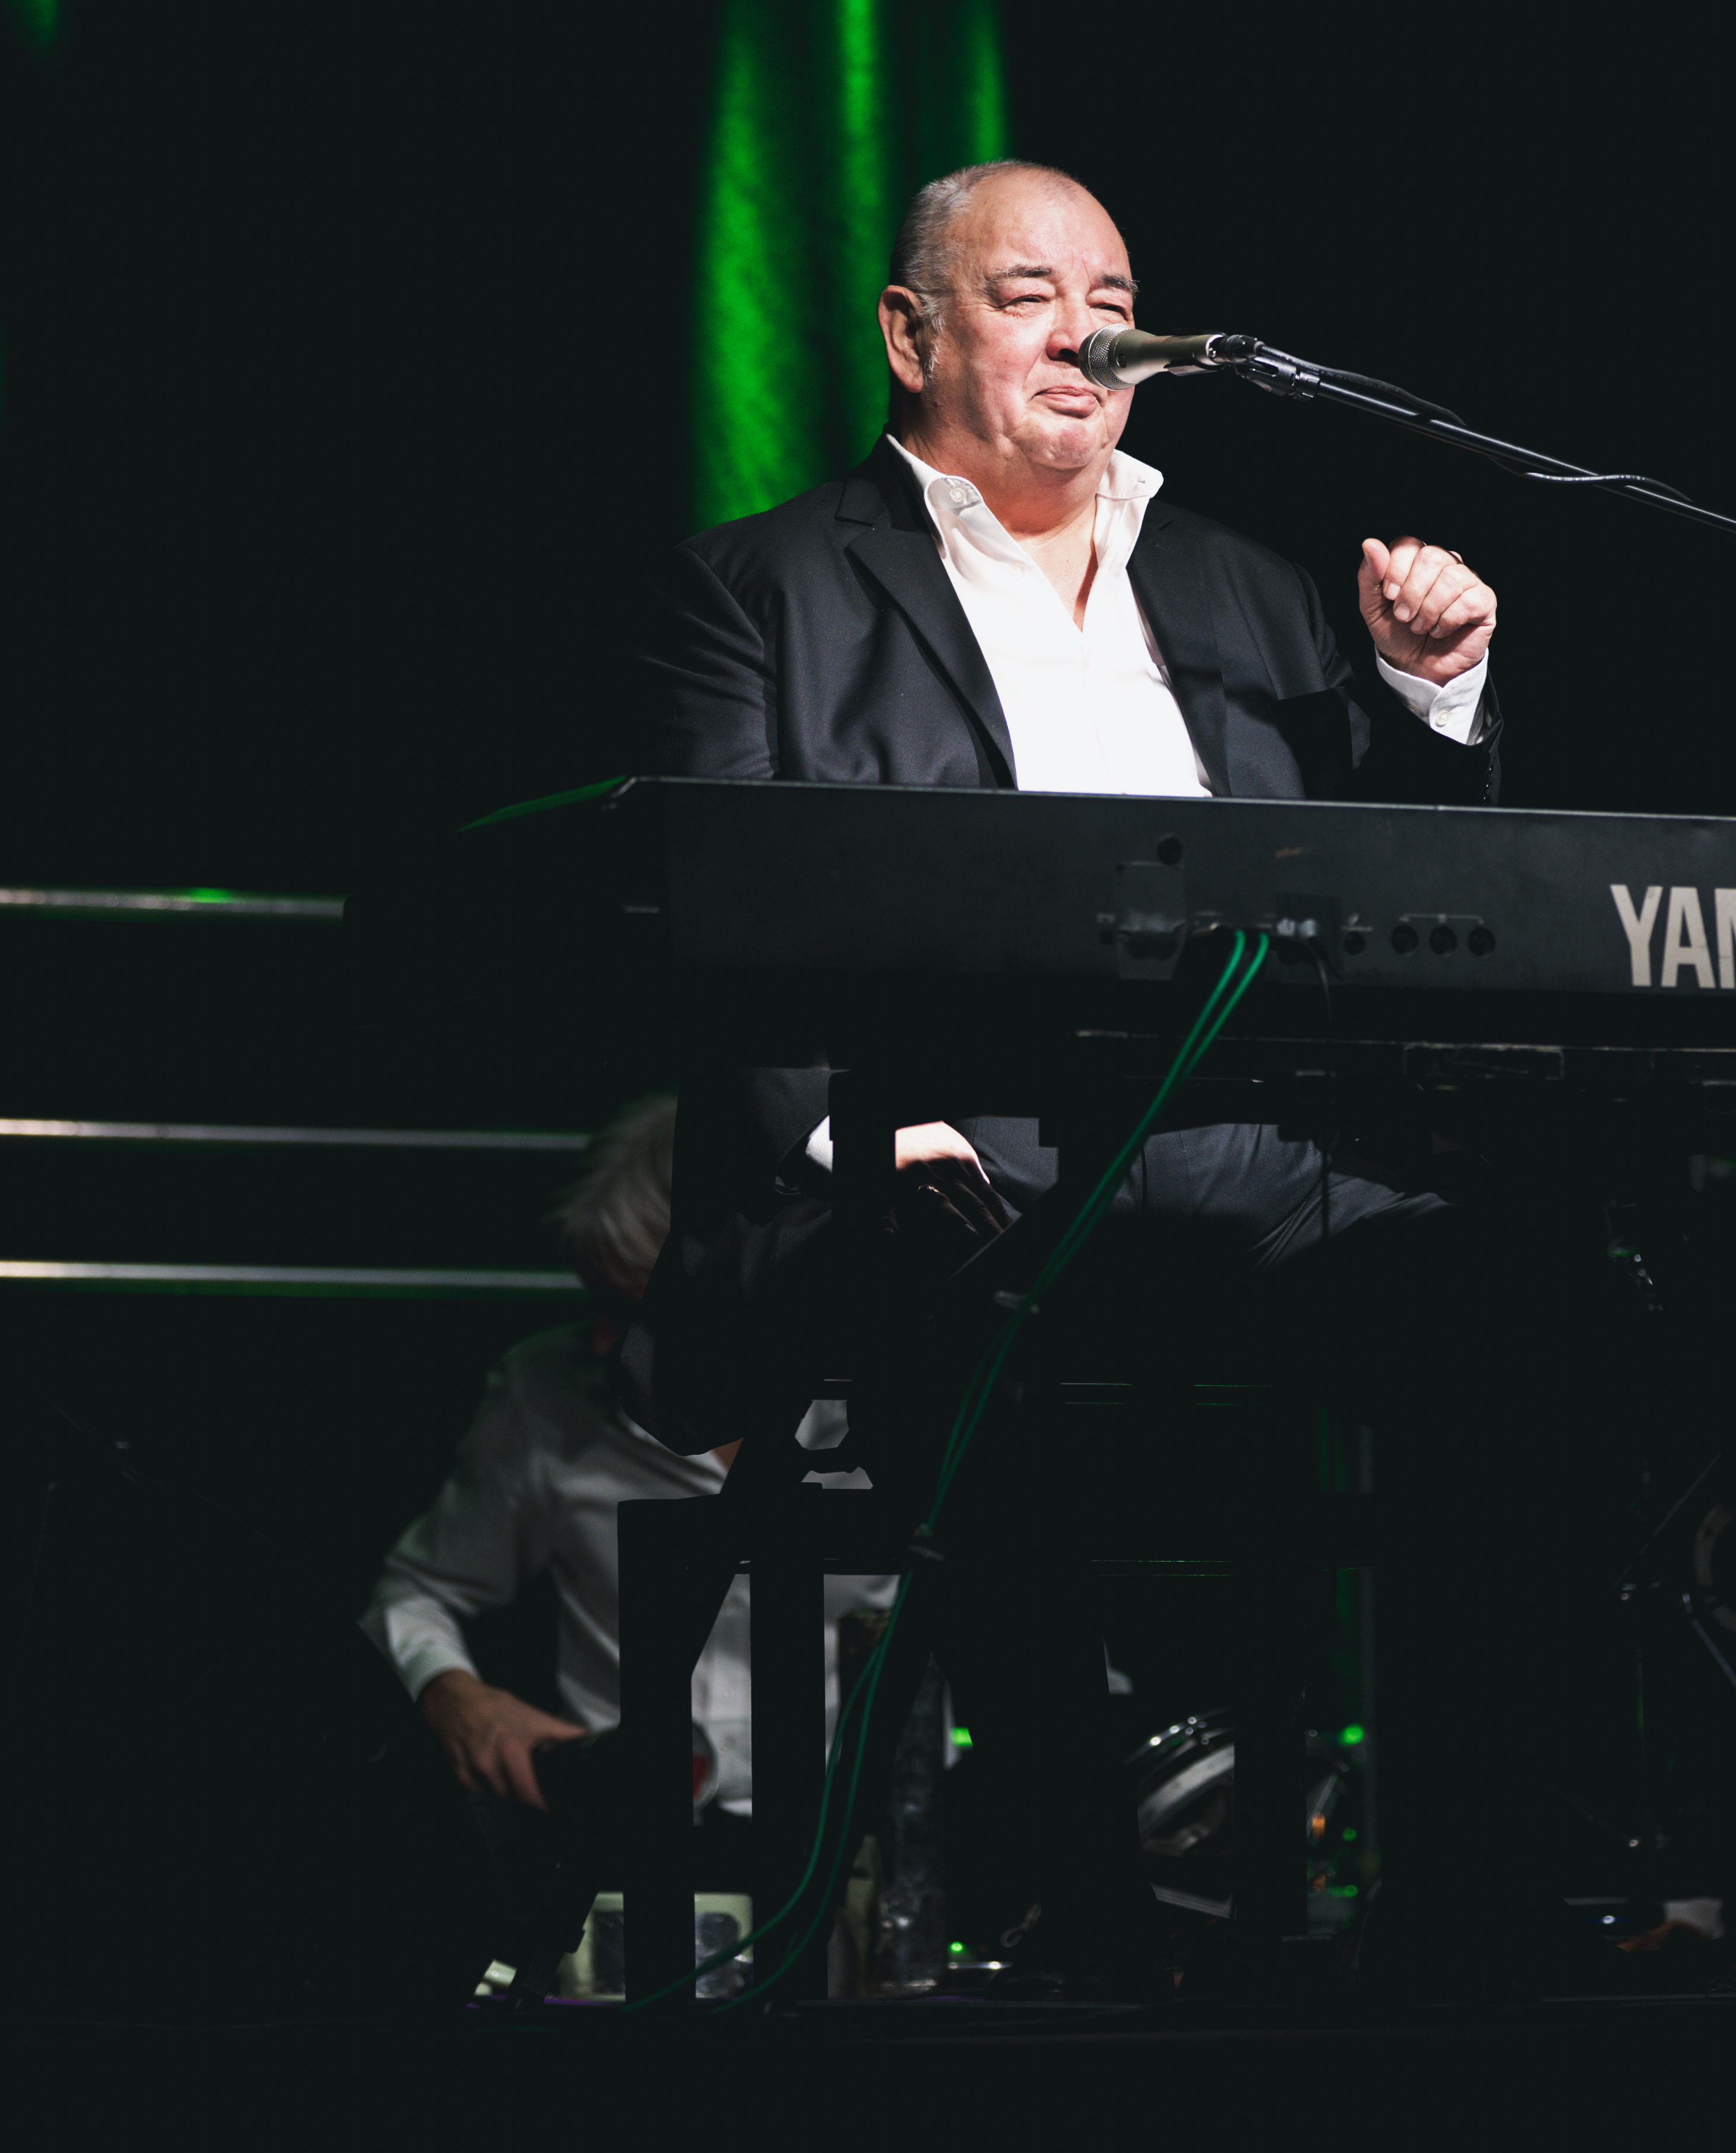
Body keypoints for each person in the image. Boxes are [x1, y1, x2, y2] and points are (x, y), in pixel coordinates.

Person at [633, 161, 1594, 1992]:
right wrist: (851, 1135)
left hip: (1252, 1144)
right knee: (960, 1308)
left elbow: (1403, 909)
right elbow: (720, 920)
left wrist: (1425, 695)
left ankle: (1470, 1913)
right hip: (957, 1145)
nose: (1088, 336)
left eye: (1118, 302)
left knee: (1519, 1295)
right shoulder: (763, 587)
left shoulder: (1245, 585)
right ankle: (1086, 1923)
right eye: (1029, 297)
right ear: (911, 335)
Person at [362, 1095, 895, 1972]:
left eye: (635, 1307)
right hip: (621, 1856)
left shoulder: (895, 1405)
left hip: (865, 1855)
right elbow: (419, 1589)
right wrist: (452, 1694)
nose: (606, 1339)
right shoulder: (546, 1393)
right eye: (596, 1304)